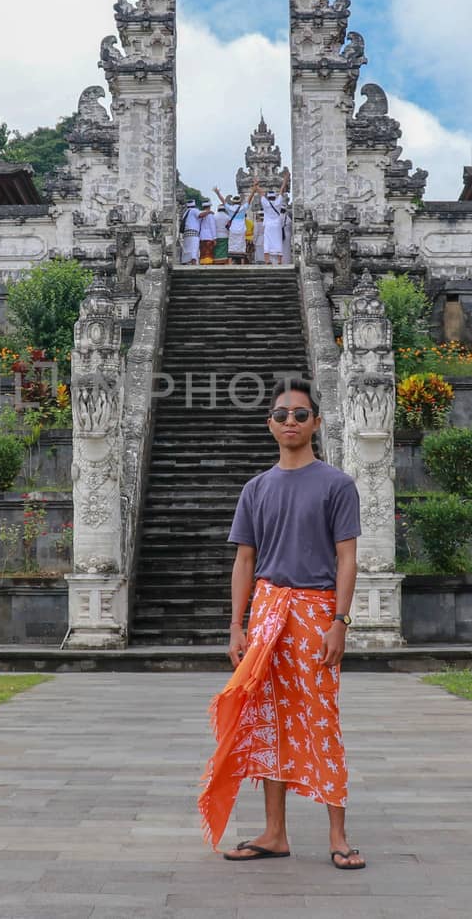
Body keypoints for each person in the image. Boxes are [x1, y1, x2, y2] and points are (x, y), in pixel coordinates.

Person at [197, 378, 366, 872]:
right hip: (268, 613)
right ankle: (275, 833)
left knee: (320, 719)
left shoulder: (337, 484)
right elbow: (244, 562)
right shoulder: (256, 488)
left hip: (316, 612)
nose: (289, 422)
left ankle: (338, 834)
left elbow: (347, 558)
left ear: (315, 421)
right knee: (267, 720)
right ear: (269, 424)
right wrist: (237, 625)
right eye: (280, 415)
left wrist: (340, 621)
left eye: (299, 414)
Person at [258, 168, 290, 265]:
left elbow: (261, 193)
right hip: (277, 225)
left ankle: (267, 260)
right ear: (274, 197)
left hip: (268, 225)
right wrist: (285, 180)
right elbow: (281, 190)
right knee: (278, 242)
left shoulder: (265, 203)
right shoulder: (278, 202)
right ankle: (279, 260)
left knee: (267, 242)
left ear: (268, 197)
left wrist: (256, 185)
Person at [213, 186, 248, 265]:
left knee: (231, 247)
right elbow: (249, 199)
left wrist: (217, 193)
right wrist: (254, 190)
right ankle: (242, 264)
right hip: (241, 230)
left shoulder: (230, 209)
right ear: (240, 202)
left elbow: (223, 201)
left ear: (232, 202)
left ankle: (230, 263)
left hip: (232, 230)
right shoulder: (243, 208)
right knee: (241, 247)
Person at [197, 196, 219, 265]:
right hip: (209, 236)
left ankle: (203, 263)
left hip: (201, 236)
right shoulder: (210, 215)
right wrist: (215, 238)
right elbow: (213, 227)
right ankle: (208, 264)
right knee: (209, 252)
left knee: (203, 252)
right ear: (209, 207)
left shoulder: (200, 215)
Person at [180, 198, 202, 265]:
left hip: (186, 234)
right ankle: (194, 264)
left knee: (187, 250)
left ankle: (186, 263)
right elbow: (200, 215)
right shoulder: (194, 210)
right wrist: (208, 212)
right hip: (193, 233)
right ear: (194, 205)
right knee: (194, 250)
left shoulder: (185, 213)